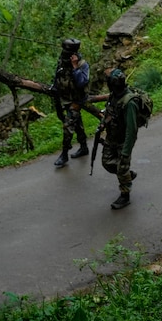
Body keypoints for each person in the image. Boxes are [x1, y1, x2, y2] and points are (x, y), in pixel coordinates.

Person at [97, 69, 139, 210]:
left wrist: (126, 151)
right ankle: (126, 174)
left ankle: (125, 195)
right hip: (111, 137)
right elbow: (109, 111)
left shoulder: (129, 102)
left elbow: (131, 130)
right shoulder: (113, 96)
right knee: (107, 162)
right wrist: (103, 123)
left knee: (121, 167)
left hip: (122, 140)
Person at [52, 38, 90, 167]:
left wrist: (75, 67)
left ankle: (64, 154)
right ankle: (84, 147)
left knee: (68, 126)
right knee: (77, 124)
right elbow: (57, 75)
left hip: (77, 100)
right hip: (64, 98)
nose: (65, 54)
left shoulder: (82, 65)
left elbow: (81, 82)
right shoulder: (62, 61)